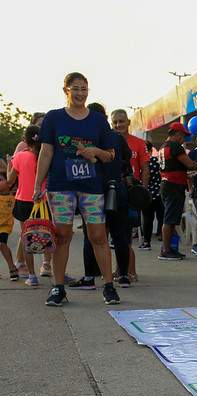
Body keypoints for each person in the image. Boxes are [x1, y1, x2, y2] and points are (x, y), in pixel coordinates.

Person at [33, 72, 119, 306]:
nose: (81, 93)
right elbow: (46, 152)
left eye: (84, 89)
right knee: (62, 236)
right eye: (76, 89)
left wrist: (95, 152)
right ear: (66, 91)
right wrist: (37, 184)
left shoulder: (98, 120)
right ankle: (58, 288)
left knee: (98, 236)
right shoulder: (53, 118)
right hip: (61, 185)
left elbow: (110, 155)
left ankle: (109, 287)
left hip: (91, 186)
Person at [70, 103, 132, 290]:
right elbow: (126, 160)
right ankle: (123, 276)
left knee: (92, 235)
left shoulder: (84, 139)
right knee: (120, 234)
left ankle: (90, 277)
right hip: (116, 188)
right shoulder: (117, 138)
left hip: (92, 190)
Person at [157, 122, 197, 260]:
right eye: (183, 136)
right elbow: (189, 164)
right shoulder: (175, 146)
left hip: (166, 184)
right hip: (173, 186)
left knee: (172, 219)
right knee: (169, 220)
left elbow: (173, 167)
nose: (183, 139)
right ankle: (165, 250)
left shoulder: (163, 147)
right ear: (178, 134)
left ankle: (171, 249)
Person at [111, 109, 149, 280]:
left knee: (127, 235)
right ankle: (119, 270)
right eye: (115, 122)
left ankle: (130, 271)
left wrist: (143, 192)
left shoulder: (139, 143)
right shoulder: (108, 140)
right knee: (116, 235)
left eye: (121, 121)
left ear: (128, 122)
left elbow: (145, 168)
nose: (118, 125)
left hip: (131, 193)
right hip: (113, 192)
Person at [7, 125, 42, 284]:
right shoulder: (45, 155)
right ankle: (52, 269)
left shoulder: (20, 156)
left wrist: (10, 163)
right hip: (42, 200)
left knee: (26, 237)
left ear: (25, 140)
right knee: (49, 235)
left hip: (23, 200)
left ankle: (32, 276)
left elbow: (10, 181)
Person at [140, 141, 163, 250]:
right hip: (159, 193)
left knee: (147, 219)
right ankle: (163, 238)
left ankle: (146, 242)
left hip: (147, 194)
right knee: (161, 217)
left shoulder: (142, 163)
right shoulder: (157, 161)